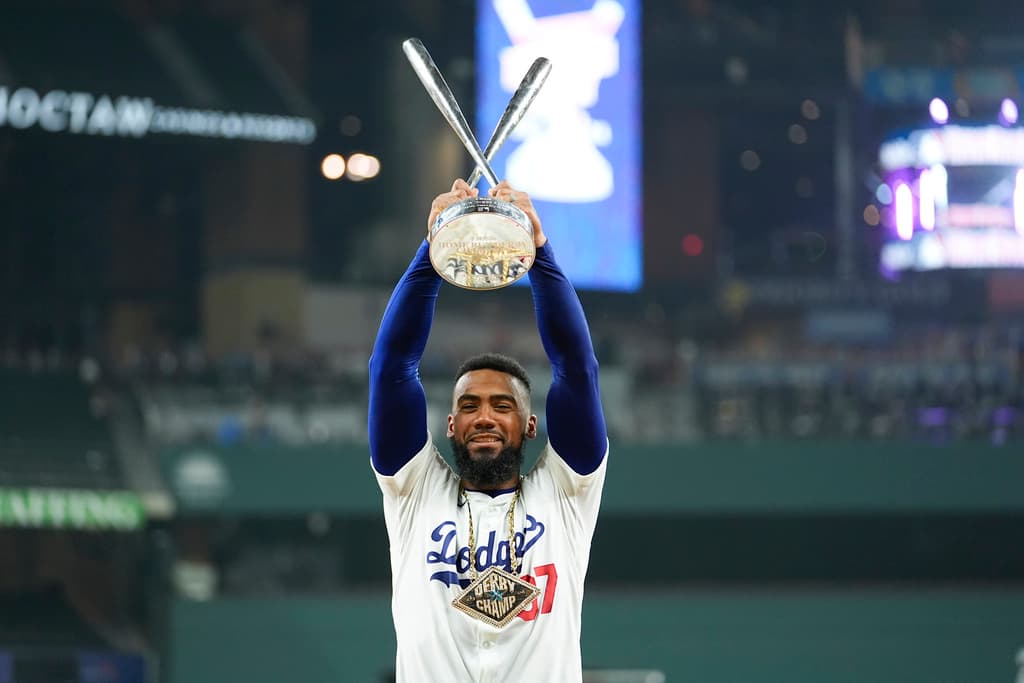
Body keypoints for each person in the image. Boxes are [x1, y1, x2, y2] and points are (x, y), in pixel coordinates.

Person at [368, 178, 608, 683]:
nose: (484, 416)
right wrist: (433, 249)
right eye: (470, 406)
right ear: (451, 425)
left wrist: (539, 251)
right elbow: (391, 369)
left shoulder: (567, 493)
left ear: (529, 425)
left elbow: (576, 368)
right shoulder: (413, 491)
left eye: (503, 406)